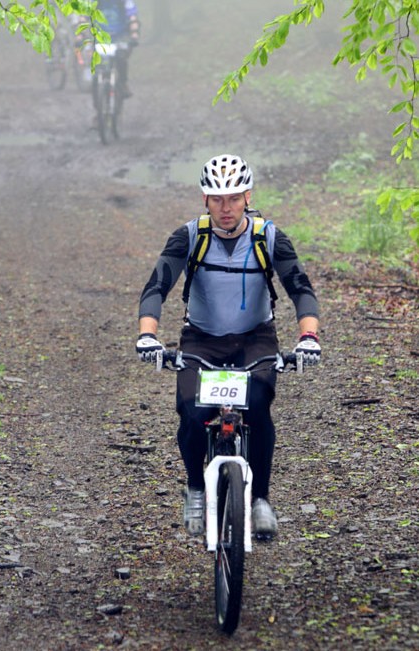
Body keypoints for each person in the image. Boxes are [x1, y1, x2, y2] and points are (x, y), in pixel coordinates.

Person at [136, 154, 321, 538]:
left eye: (234, 198)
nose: (226, 207)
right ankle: (195, 488)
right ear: (205, 199)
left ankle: (261, 500)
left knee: (256, 405)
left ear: (247, 196)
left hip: (256, 339)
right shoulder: (189, 236)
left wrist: (308, 338)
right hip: (202, 340)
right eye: (218, 199)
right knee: (192, 410)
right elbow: (157, 287)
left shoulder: (268, 237)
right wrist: (148, 334)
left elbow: (300, 289)